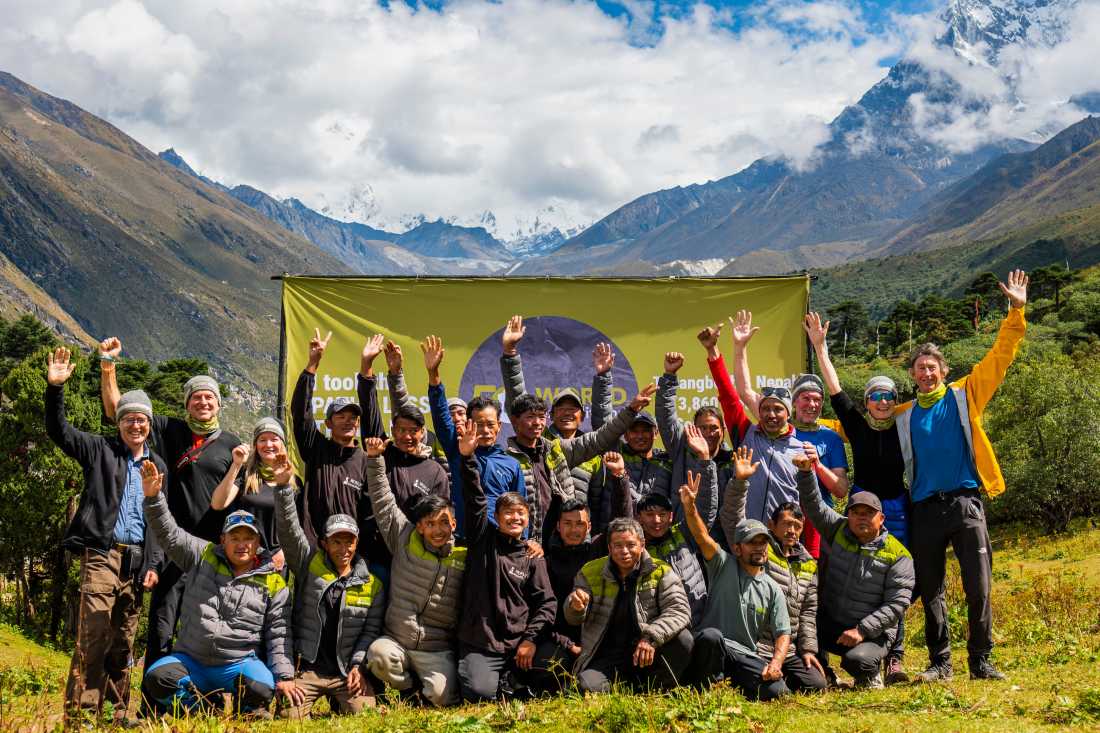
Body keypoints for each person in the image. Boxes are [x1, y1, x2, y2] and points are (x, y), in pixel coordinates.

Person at [899, 270, 1028, 682]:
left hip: (965, 502)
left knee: (979, 585)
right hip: (924, 509)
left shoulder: (964, 394)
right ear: (912, 375)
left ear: (944, 369)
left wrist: (1016, 312)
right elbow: (860, 425)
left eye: (932, 367)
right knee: (931, 588)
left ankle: (981, 661)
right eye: (920, 368)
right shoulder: (903, 415)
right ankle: (941, 663)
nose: (926, 373)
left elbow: (1000, 357)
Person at [98, 337, 242, 673]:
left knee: (208, 628)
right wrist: (108, 366)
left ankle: (200, 694)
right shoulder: (168, 429)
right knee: (162, 626)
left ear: (218, 404)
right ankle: (154, 696)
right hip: (171, 547)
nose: (203, 402)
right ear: (187, 404)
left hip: (210, 552)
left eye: (209, 397)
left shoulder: (232, 445)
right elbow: (119, 411)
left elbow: (239, 499)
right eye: (196, 397)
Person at [45, 347, 167, 725]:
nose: (135, 425)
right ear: (119, 423)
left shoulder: (157, 465)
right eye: (128, 419)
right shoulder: (99, 450)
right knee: (94, 634)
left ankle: (116, 713)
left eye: (141, 420)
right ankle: (81, 714)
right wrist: (55, 389)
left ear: (149, 425)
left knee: (122, 641)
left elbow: (159, 520)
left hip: (136, 561)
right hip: (101, 553)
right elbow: (59, 431)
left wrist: (153, 563)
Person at [804, 311, 911, 683]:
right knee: (847, 578)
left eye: (888, 396)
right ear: (867, 402)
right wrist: (820, 348)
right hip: (859, 511)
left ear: (895, 401)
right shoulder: (857, 427)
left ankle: (894, 657)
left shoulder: (905, 427)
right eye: (875, 396)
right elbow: (835, 390)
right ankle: (838, 647)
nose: (882, 401)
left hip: (896, 511)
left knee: (893, 583)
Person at [139, 463, 293, 718]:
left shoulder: (273, 581)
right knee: (157, 678)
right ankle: (201, 712)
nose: (242, 544)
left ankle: (246, 713)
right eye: (235, 538)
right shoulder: (203, 555)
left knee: (262, 688)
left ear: (257, 542)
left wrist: (284, 676)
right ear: (223, 540)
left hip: (238, 664)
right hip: (191, 661)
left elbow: (279, 634)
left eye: (248, 538)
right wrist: (154, 497)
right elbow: (169, 534)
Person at [500, 315, 658, 544]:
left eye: (573, 409)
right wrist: (510, 354)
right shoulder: (526, 448)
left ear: (582, 416)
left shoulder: (559, 450)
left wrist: (631, 408)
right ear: (552, 415)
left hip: (572, 540)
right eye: (561, 409)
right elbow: (519, 400)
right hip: (528, 541)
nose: (567, 413)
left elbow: (604, 433)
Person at [726, 311, 849, 558]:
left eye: (817, 399)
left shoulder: (831, 438)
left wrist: (816, 465)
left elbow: (840, 490)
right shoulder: (775, 423)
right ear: (793, 403)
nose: (812, 404)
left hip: (811, 526)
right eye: (805, 398)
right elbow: (744, 390)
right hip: (771, 523)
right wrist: (740, 348)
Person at [794, 446, 915, 688]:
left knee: (857, 661)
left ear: (881, 519)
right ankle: (825, 672)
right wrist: (806, 473)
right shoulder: (839, 529)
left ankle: (870, 672)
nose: (861, 517)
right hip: (832, 622)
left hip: (872, 632)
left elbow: (897, 604)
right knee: (798, 628)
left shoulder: (899, 555)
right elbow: (815, 506)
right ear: (847, 515)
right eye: (856, 512)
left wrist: (862, 630)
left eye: (868, 513)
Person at [272, 458, 384, 718]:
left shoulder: (372, 584)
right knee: (289, 718)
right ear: (324, 543)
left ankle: (342, 698)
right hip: (307, 670)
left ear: (356, 544)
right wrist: (283, 488)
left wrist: (357, 666)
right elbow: (289, 531)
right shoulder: (308, 564)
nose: (343, 549)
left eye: (349, 542)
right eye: (336, 541)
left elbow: (370, 632)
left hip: (345, 673)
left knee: (365, 716)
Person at [456, 419, 557, 702]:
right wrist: (467, 458)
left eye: (520, 514)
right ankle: (502, 683)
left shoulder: (532, 554)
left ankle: (513, 679)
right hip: (482, 642)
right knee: (479, 692)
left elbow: (547, 603)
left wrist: (530, 640)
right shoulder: (483, 541)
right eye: (508, 514)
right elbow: (475, 499)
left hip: (519, 643)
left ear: (527, 518)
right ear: (497, 518)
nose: (515, 518)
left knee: (558, 665)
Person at [363, 436, 466, 707]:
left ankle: (427, 688)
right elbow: (383, 501)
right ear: (419, 526)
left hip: (436, 649)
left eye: (444, 523)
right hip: (397, 639)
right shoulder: (404, 537)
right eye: (430, 524)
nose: (438, 530)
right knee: (378, 656)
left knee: (443, 697)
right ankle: (408, 691)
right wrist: (374, 459)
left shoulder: (464, 556)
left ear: (454, 524)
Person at [719, 446, 827, 693]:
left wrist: (808, 650)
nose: (792, 531)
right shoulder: (759, 550)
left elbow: (808, 611)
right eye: (786, 524)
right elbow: (732, 519)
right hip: (755, 644)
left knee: (817, 685)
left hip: (787, 647)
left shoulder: (809, 563)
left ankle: (781, 674)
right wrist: (740, 482)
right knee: (775, 692)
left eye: (797, 526)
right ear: (772, 525)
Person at [534, 451, 634, 692]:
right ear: (558, 526)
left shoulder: (599, 549)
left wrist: (619, 478)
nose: (573, 530)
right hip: (563, 641)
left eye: (579, 524)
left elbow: (621, 520)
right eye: (567, 524)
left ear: (588, 526)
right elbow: (546, 610)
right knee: (543, 667)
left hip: (600, 638)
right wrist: (569, 645)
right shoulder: (547, 561)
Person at [682, 484, 792, 703]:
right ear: (737, 548)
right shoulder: (722, 564)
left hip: (744, 654)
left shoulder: (772, 588)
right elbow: (702, 536)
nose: (759, 547)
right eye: (752, 543)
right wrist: (690, 506)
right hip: (714, 648)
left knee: (778, 692)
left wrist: (776, 663)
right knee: (711, 636)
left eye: (763, 542)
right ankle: (707, 689)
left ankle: (733, 684)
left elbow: (783, 632)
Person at [565, 517, 693, 693]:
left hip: (648, 652)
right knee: (584, 687)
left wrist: (651, 638)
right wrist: (575, 607)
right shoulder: (590, 571)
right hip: (608, 656)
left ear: (642, 545)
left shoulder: (661, 571)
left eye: (631, 545)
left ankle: (658, 690)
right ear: (609, 548)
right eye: (617, 545)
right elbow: (572, 618)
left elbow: (679, 610)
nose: (624, 551)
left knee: (683, 639)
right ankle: (626, 686)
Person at [417, 335, 524, 538]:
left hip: (500, 543)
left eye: (490, 425)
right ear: (468, 424)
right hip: (465, 540)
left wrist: (524, 541)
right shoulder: (459, 451)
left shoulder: (512, 464)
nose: (485, 430)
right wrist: (433, 374)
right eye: (479, 425)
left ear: (499, 426)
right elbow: (441, 415)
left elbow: (520, 508)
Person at [699, 331, 804, 524]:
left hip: (784, 536)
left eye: (778, 409)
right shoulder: (745, 433)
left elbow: (808, 502)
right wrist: (712, 351)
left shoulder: (801, 450)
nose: (771, 414)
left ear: (789, 414)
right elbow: (728, 396)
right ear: (759, 411)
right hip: (745, 534)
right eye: (765, 408)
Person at [289, 329, 374, 556]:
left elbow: (369, 514)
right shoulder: (315, 447)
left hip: (350, 554)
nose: (348, 422)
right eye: (340, 416)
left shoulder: (366, 461)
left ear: (358, 423)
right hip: (313, 551)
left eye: (353, 418)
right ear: (328, 423)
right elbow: (300, 412)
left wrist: (359, 551)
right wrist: (312, 365)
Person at [634, 424, 718, 626]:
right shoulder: (635, 549)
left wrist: (705, 461)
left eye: (662, 515)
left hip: (697, 623)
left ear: (671, 516)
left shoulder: (683, 534)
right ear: (639, 518)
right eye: (650, 515)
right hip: (658, 627)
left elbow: (705, 510)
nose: (656, 521)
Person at [358, 341, 451, 519]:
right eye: (401, 430)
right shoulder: (381, 453)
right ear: (393, 431)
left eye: (413, 431)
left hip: (417, 537)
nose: (407, 436)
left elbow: (440, 518)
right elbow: (369, 409)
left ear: (422, 432)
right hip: (377, 536)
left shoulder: (434, 472)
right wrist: (366, 364)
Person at [656, 350, 735, 539]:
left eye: (714, 428)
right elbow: (665, 417)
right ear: (694, 429)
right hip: (683, 537)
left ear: (723, 430)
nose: (708, 433)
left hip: (720, 542)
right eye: (702, 428)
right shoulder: (681, 448)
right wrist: (669, 376)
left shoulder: (731, 460)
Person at [210, 417, 294, 573]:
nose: (268, 444)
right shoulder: (246, 475)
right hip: (243, 557)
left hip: (276, 561)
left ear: (282, 443)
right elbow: (218, 504)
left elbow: (297, 525)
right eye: (262, 440)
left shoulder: (294, 482)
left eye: (274, 439)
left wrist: (285, 551)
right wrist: (236, 465)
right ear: (255, 445)